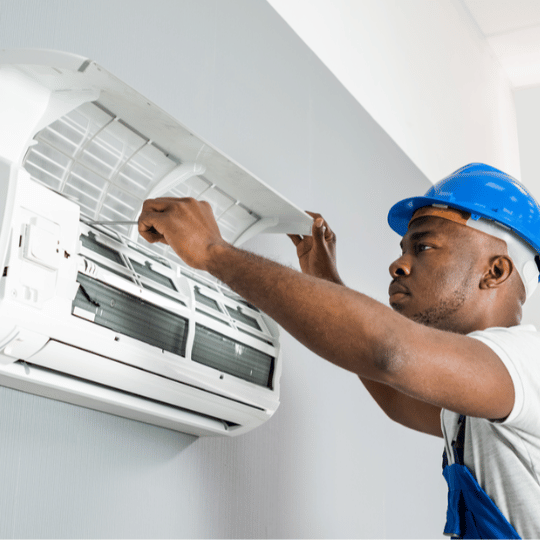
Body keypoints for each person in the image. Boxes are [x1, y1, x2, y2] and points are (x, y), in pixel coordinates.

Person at [138, 162, 540, 538]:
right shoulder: (476, 400)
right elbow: (399, 397)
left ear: (496, 271)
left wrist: (214, 253)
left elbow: (390, 352)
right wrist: (325, 280)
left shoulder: (528, 359)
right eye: (402, 249)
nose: (397, 264)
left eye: (423, 248)